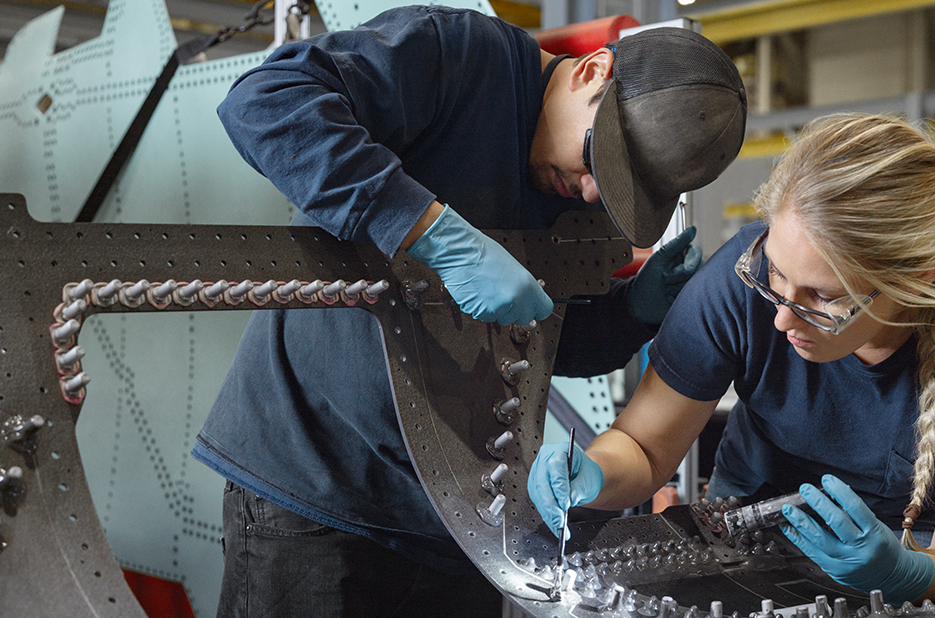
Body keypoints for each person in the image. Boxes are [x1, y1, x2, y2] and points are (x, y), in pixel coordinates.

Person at [191, 6, 747, 617]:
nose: (592, 193)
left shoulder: (581, 186)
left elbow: (540, 344)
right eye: (598, 161)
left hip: (463, 518)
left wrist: (631, 314)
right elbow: (266, 101)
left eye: (616, 190)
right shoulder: (452, 55)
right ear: (592, 71)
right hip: (314, 490)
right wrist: (431, 233)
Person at [530, 113, 935, 606]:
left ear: (919, 279)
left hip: (921, 547)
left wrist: (904, 573)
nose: (782, 318)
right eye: (776, 274)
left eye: (825, 297)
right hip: (749, 516)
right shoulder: (737, 284)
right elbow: (643, 446)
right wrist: (593, 472)